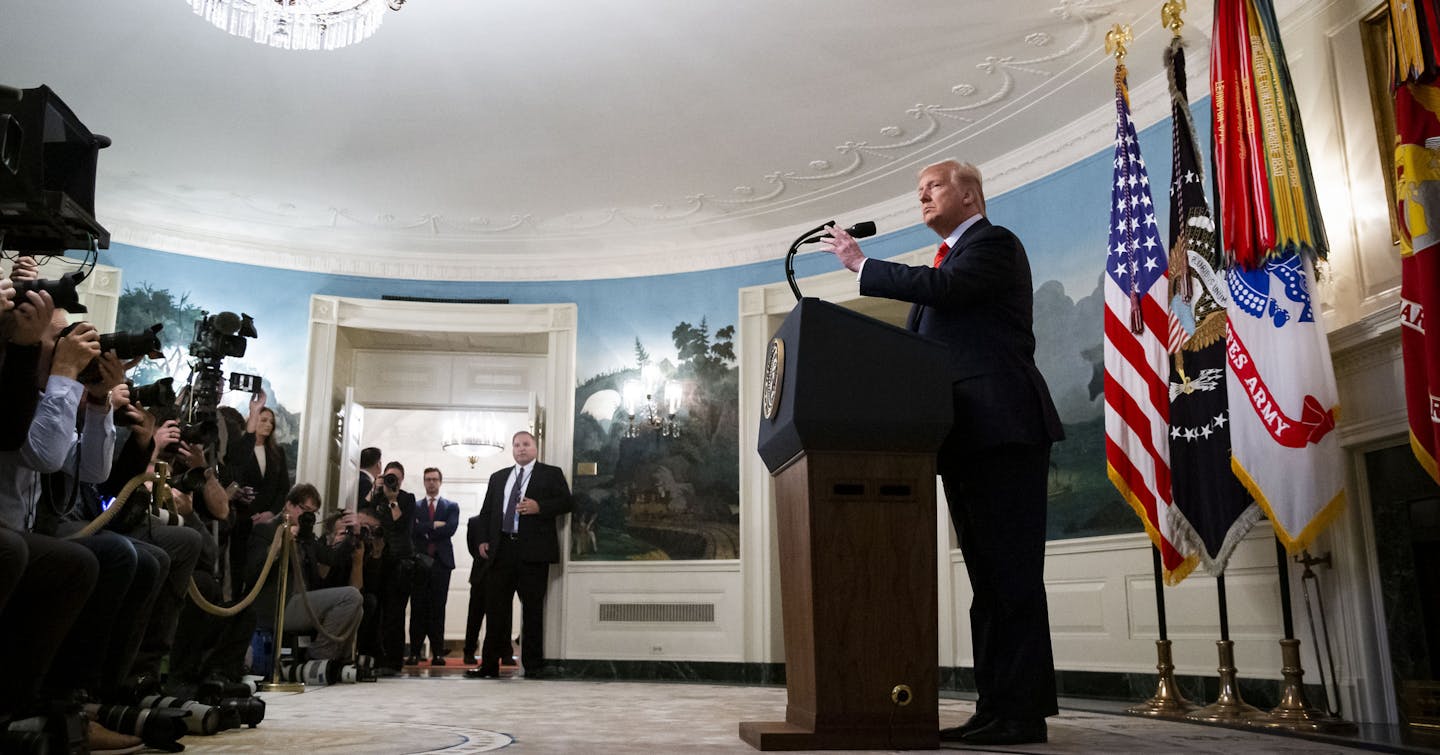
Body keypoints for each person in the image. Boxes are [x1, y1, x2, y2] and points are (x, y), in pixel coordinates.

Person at [821, 159, 1064, 746]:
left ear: (971, 194)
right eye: (919, 191)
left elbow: (946, 291)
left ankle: (1023, 714)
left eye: (933, 187)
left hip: (1003, 429)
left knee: (1012, 576)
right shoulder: (950, 259)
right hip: (964, 436)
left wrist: (863, 266)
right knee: (988, 581)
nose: (922, 197)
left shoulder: (993, 244)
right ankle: (995, 706)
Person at [467, 431, 572, 679]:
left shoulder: (551, 473)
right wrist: (483, 539)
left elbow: (567, 503)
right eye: (516, 445)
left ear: (535, 448)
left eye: (526, 444)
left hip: (533, 553)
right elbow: (485, 513)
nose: (521, 449)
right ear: (512, 449)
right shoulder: (499, 477)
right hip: (501, 551)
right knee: (496, 611)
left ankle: (533, 666)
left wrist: (540, 507)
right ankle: (489, 666)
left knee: (533, 610)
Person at [245, 483, 363, 662]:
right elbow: (252, 573)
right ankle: (318, 658)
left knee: (357, 608)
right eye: (304, 509)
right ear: (289, 505)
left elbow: (332, 558)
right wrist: (278, 547)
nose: (307, 516)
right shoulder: (266, 530)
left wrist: (353, 534)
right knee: (351, 597)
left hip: (303, 601)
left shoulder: (306, 537)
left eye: (313, 512)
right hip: (278, 605)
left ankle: (338, 661)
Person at [228, 388, 289, 591]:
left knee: (259, 570)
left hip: (267, 521)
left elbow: (283, 489)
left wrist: (270, 513)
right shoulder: (240, 448)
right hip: (241, 518)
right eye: (263, 419)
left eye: (271, 421)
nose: (268, 424)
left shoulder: (278, 452)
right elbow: (234, 480)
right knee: (237, 567)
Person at [365, 460, 414, 671]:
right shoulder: (375, 497)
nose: (391, 481)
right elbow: (364, 512)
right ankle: (373, 656)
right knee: (376, 611)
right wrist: (375, 489)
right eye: (388, 477)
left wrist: (393, 501)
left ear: (401, 480)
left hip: (399, 561)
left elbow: (402, 525)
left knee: (395, 611)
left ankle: (394, 661)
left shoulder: (407, 499)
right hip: (377, 559)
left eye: (395, 478)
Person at [409, 467, 458, 665]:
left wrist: (425, 528)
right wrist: (433, 525)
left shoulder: (451, 506)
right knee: (418, 608)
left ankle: (437, 653)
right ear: (423, 482)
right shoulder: (414, 506)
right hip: (419, 563)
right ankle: (414, 652)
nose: (431, 483)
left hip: (441, 564)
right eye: (428, 479)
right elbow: (412, 529)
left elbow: (450, 529)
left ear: (440, 482)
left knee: (438, 609)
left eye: (434, 479)